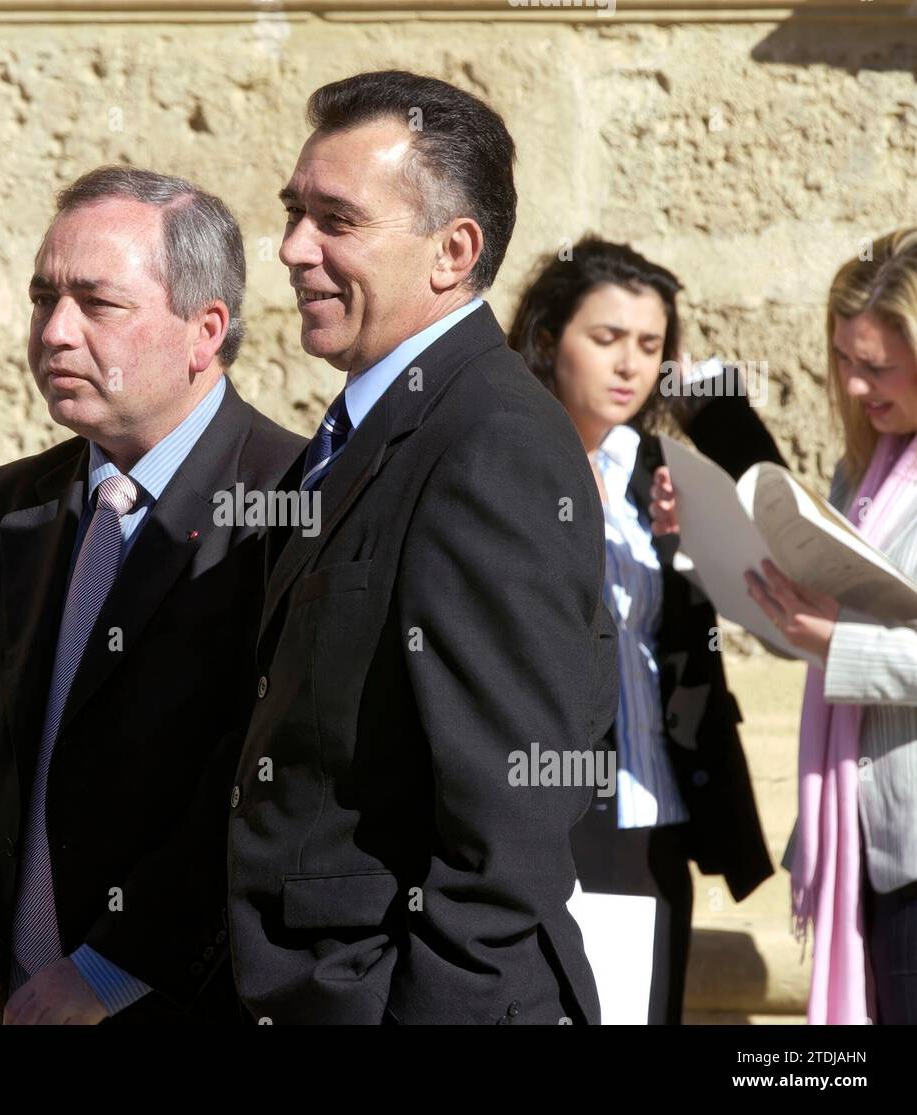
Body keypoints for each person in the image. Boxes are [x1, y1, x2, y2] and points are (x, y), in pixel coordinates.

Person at [226, 70, 618, 1025]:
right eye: (292, 211)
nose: (291, 248)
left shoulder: (493, 442)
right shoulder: (372, 427)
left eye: (335, 219)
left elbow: (509, 820)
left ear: (453, 251)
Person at [0, 166, 303, 1025]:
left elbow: (278, 787)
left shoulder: (296, 508)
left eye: (97, 305)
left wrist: (112, 968)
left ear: (203, 331)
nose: (56, 333)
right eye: (42, 299)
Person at [509, 236, 776, 1024]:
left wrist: (715, 406)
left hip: (658, 819)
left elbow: (782, 538)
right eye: (606, 338)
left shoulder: (661, 468)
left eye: (650, 345)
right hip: (551, 817)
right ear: (551, 337)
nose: (630, 364)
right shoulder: (504, 460)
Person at [733, 228, 917, 1024]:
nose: (852, 386)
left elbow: (847, 642)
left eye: (875, 365)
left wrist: (839, 644)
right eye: (842, 359)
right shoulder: (862, 471)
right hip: (865, 843)